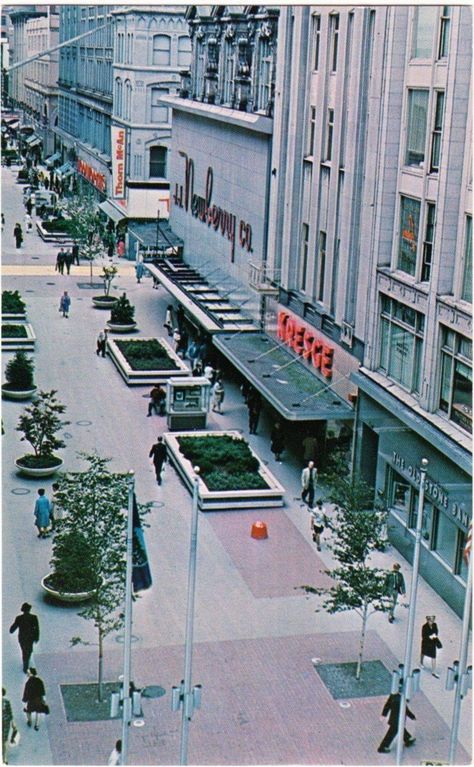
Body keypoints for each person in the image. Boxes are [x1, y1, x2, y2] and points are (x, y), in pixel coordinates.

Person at [9, 603, 40, 673]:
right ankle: (25, 666)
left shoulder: (19, 618)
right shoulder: (33, 617)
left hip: (22, 638)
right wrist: (36, 637)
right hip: (30, 638)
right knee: (28, 651)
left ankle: (25, 665)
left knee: (25, 651)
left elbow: (12, 628)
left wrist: (11, 629)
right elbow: (37, 628)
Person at [2, 689, 16, 765]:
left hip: (4, 723)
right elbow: (10, 713)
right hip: (5, 723)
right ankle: (4, 759)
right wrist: (13, 724)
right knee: (4, 741)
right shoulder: (7, 702)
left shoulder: (6, 702)